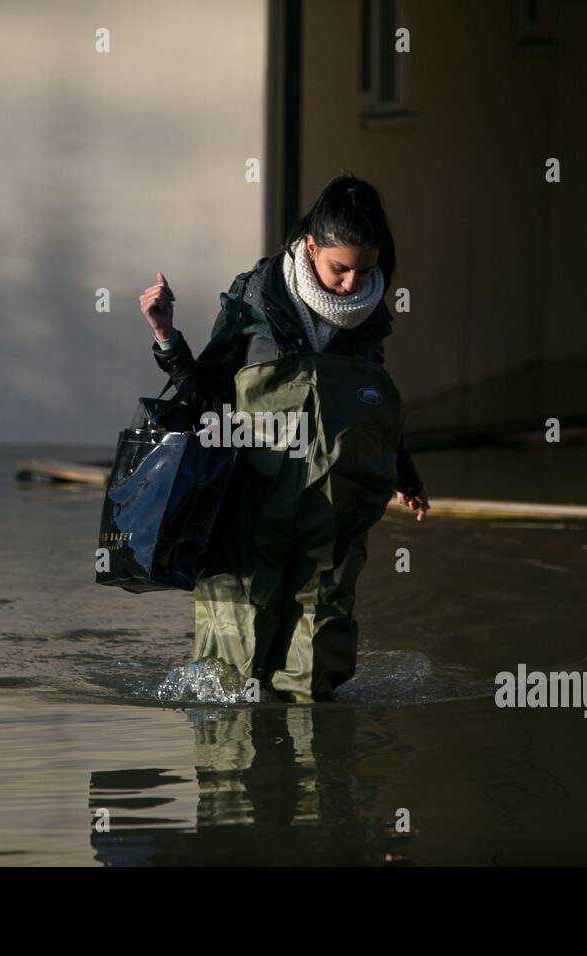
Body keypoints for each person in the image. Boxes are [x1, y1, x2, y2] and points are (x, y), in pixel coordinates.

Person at [138, 173, 429, 704]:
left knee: (317, 668)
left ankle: (314, 781)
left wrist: (402, 473)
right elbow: (207, 393)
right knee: (234, 671)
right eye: (340, 269)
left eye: (365, 271)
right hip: (250, 506)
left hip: (332, 514)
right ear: (312, 247)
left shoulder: (369, 316)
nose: (352, 285)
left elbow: (372, 408)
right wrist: (166, 336)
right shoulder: (255, 298)